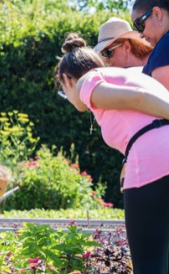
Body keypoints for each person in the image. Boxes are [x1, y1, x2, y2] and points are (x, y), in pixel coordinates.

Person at [55, 33, 169, 274]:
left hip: (151, 165)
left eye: (63, 91)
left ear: (67, 79)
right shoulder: (130, 75)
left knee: (149, 266)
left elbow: (139, 99)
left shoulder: (87, 82)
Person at [131, 0, 169, 90]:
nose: (141, 35)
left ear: (157, 14)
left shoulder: (164, 46)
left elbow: (163, 102)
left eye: (139, 25)